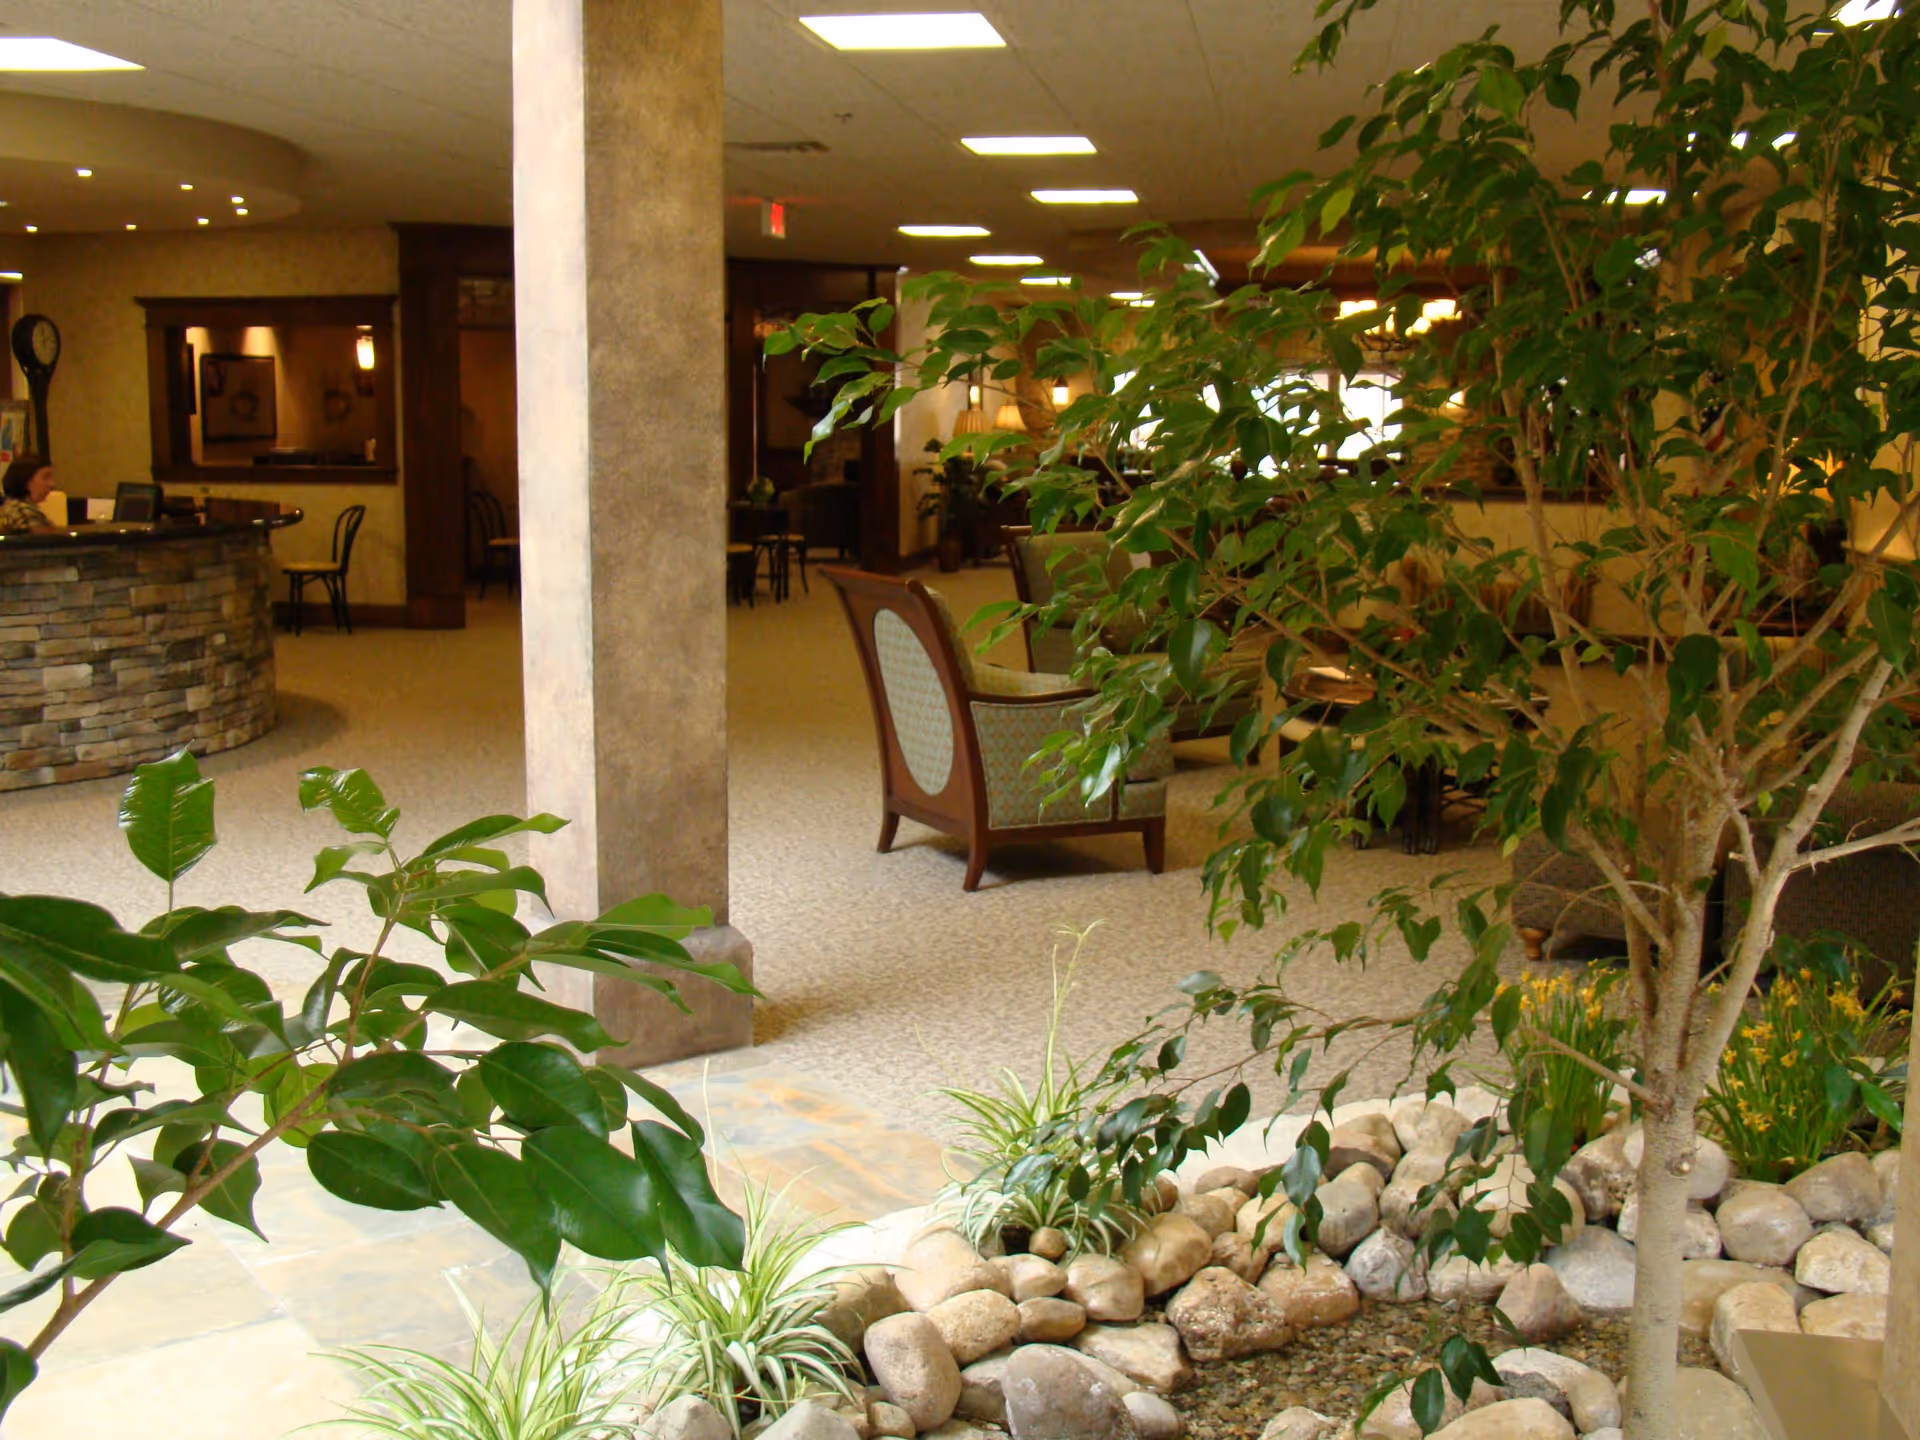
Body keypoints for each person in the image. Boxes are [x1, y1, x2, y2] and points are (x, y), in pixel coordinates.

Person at [0, 454, 56, 534]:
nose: (52, 484)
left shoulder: (13, 506)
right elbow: (45, 543)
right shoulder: (23, 513)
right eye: (45, 477)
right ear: (26, 481)